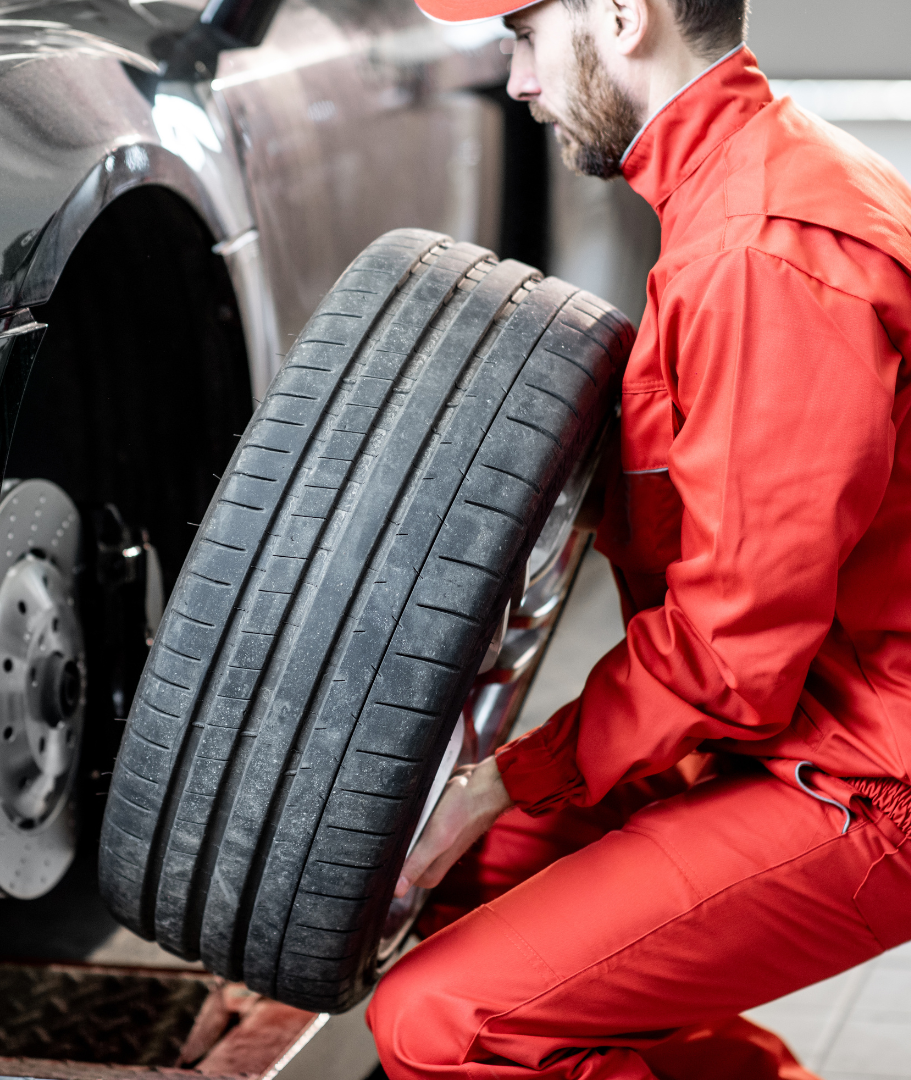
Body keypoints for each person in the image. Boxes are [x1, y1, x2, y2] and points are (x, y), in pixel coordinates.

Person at [366, 1, 911, 1078]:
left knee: (441, 1020)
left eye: (524, 37)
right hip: (796, 718)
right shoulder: (737, 192)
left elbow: (732, 654)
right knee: (480, 872)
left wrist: (507, 776)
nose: (518, 82)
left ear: (622, 15)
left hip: (870, 774)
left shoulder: (764, 253)